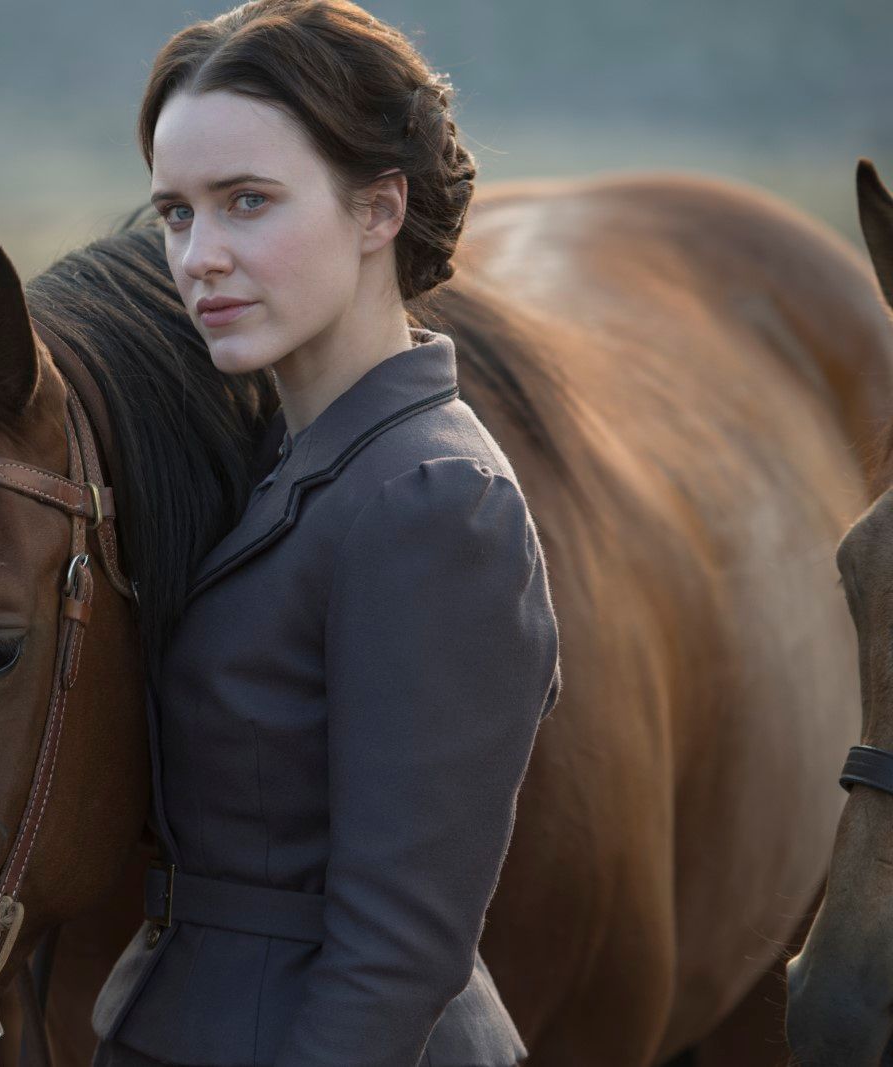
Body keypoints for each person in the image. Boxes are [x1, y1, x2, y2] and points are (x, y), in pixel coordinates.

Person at [89, 2, 563, 1065]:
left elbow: (396, 950)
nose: (199, 256)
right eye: (174, 214)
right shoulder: (288, 460)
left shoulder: (434, 500)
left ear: (376, 209)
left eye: (246, 203)